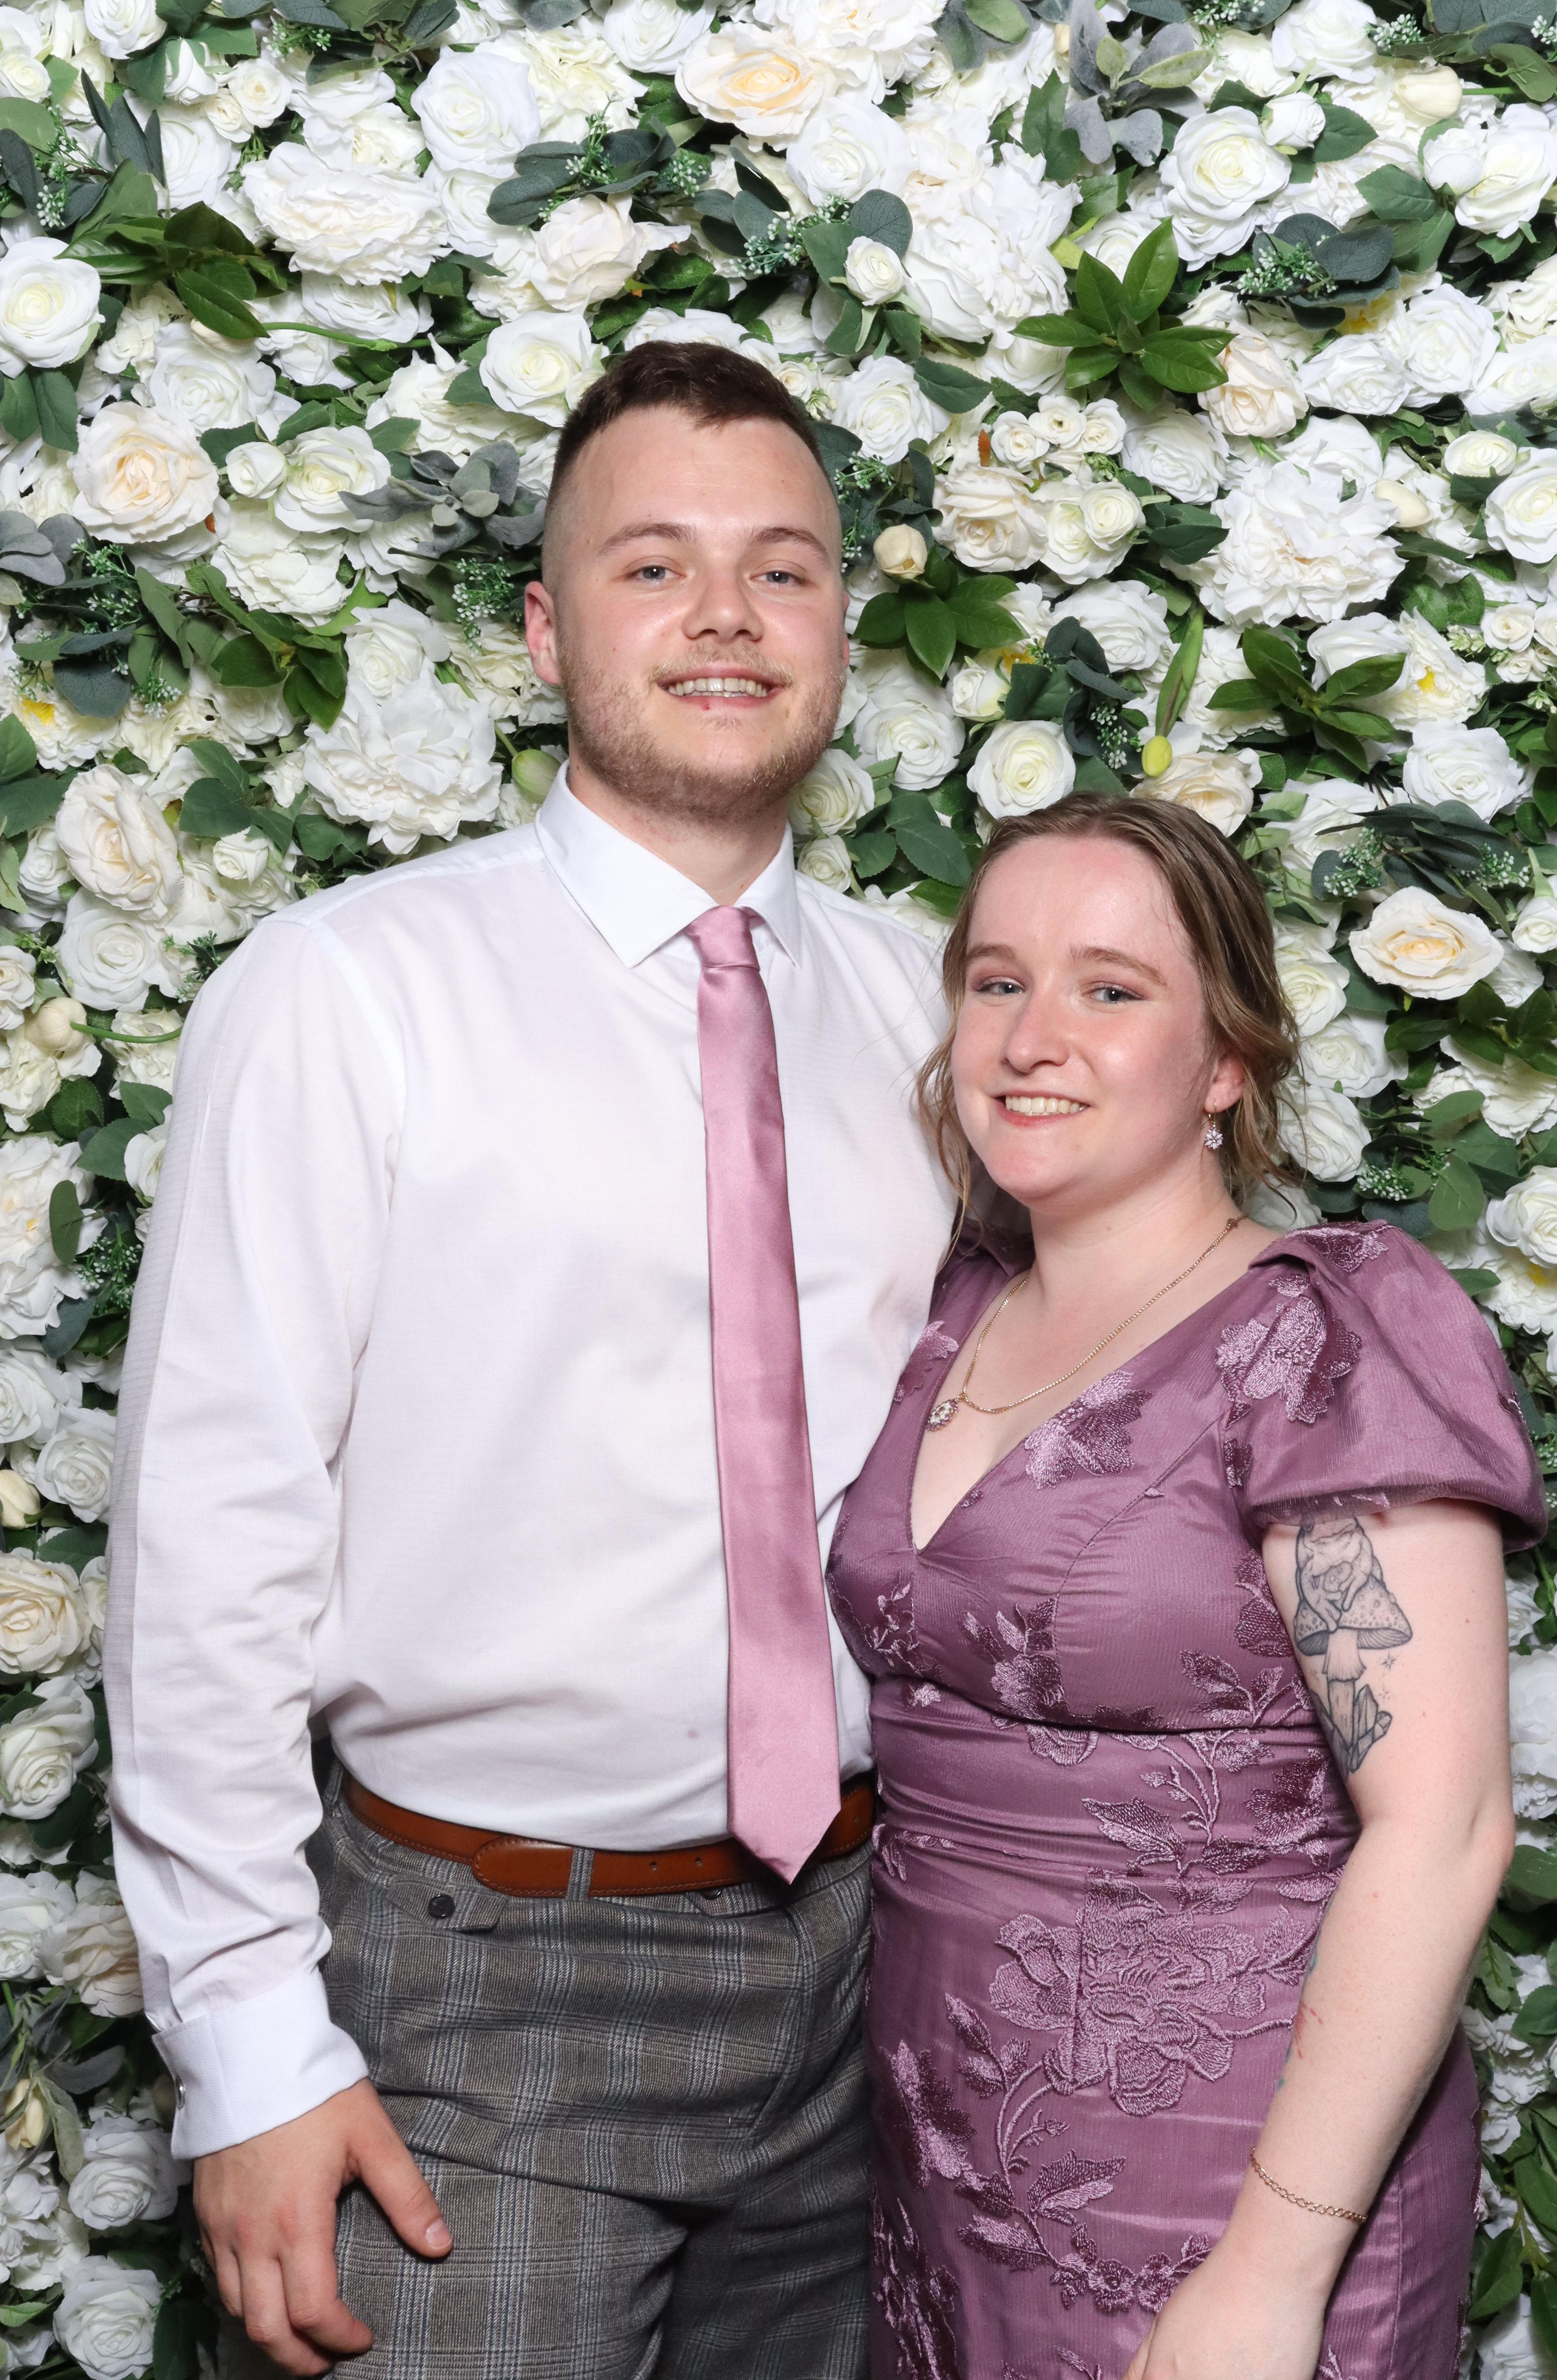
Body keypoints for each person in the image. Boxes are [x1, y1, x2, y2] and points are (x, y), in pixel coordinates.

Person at [104, 340, 955, 2378]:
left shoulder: (935, 1012)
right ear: (545, 628)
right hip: (478, 1993)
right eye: (652, 566)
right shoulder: (345, 994)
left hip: (874, 1973)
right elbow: (210, 1540)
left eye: (781, 568)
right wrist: (249, 2044)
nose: (726, 614)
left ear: (840, 623)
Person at [825, 794, 1546, 2380]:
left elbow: (1444, 1826)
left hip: (1240, 2184)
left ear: (1225, 1060)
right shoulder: (942, 1311)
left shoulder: (1321, 1339)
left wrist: (1274, 2276)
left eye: (1111, 988)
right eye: (998, 982)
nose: (1032, 1038)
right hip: (942, 2173)